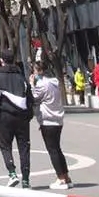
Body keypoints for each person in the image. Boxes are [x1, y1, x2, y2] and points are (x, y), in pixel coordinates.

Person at [0, 52, 32, 188]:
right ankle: (26, 180)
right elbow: (30, 98)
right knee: (24, 147)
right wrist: (28, 115)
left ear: (2, 60)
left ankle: (12, 173)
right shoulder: (21, 77)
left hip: (4, 116)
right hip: (22, 117)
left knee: (5, 146)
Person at [30, 57, 72, 189]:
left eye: (35, 71)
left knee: (52, 150)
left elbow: (34, 97)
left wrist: (32, 84)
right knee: (57, 149)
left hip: (48, 120)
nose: (34, 73)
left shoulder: (42, 84)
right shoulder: (55, 82)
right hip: (58, 119)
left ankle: (61, 178)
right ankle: (66, 177)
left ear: (40, 71)